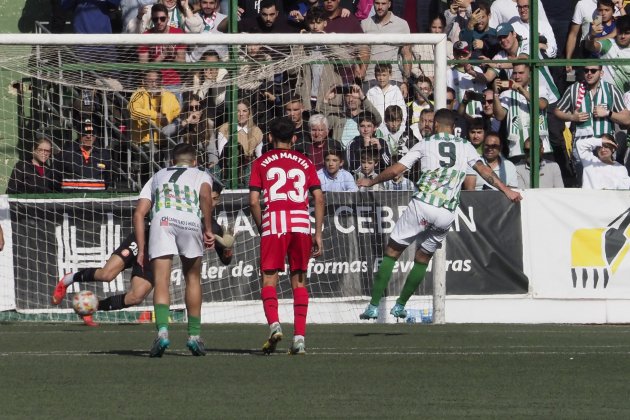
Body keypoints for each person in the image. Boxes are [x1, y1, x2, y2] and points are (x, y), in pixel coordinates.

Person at [357, 109, 522, 320]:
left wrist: (371, 181)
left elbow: (397, 169)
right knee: (422, 258)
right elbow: (484, 171)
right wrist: (506, 190)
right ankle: (400, 305)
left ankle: (373, 306)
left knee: (392, 252)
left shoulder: (425, 144)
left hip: (424, 204)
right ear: (453, 127)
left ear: (435, 125)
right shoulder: (466, 146)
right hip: (446, 212)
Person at [51, 179, 234, 327]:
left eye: (217, 199)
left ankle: (93, 307)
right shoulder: (181, 202)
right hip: (143, 239)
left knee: (135, 297)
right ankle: (68, 279)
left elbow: (225, 259)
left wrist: (227, 249)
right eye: (212, 197)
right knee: (107, 274)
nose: (213, 202)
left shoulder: (212, 225)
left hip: (156, 254)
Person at [249, 116, 325, 355]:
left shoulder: (261, 162)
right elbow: (319, 198)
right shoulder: (305, 161)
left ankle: (274, 325)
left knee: (269, 279)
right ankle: (300, 338)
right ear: (294, 138)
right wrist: (318, 233)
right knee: (299, 280)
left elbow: (253, 201)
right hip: (301, 223)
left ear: (269, 137)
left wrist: (264, 227)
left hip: (275, 223)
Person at [133, 143, 215, 357]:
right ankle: (194, 337)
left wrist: (141, 249)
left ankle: (162, 333)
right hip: (189, 220)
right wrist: (208, 229)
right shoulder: (201, 174)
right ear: (195, 161)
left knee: (161, 281)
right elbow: (206, 197)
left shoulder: (158, 175)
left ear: (172, 162)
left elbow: (139, 213)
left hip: (163, 221)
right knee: (193, 278)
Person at [57, 118, 112, 191]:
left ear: (96, 136)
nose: (88, 136)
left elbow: (108, 179)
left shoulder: (104, 154)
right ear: (79, 134)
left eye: (92, 133)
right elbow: (55, 178)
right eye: (85, 133)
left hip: (97, 200)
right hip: (72, 200)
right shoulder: (66, 153)